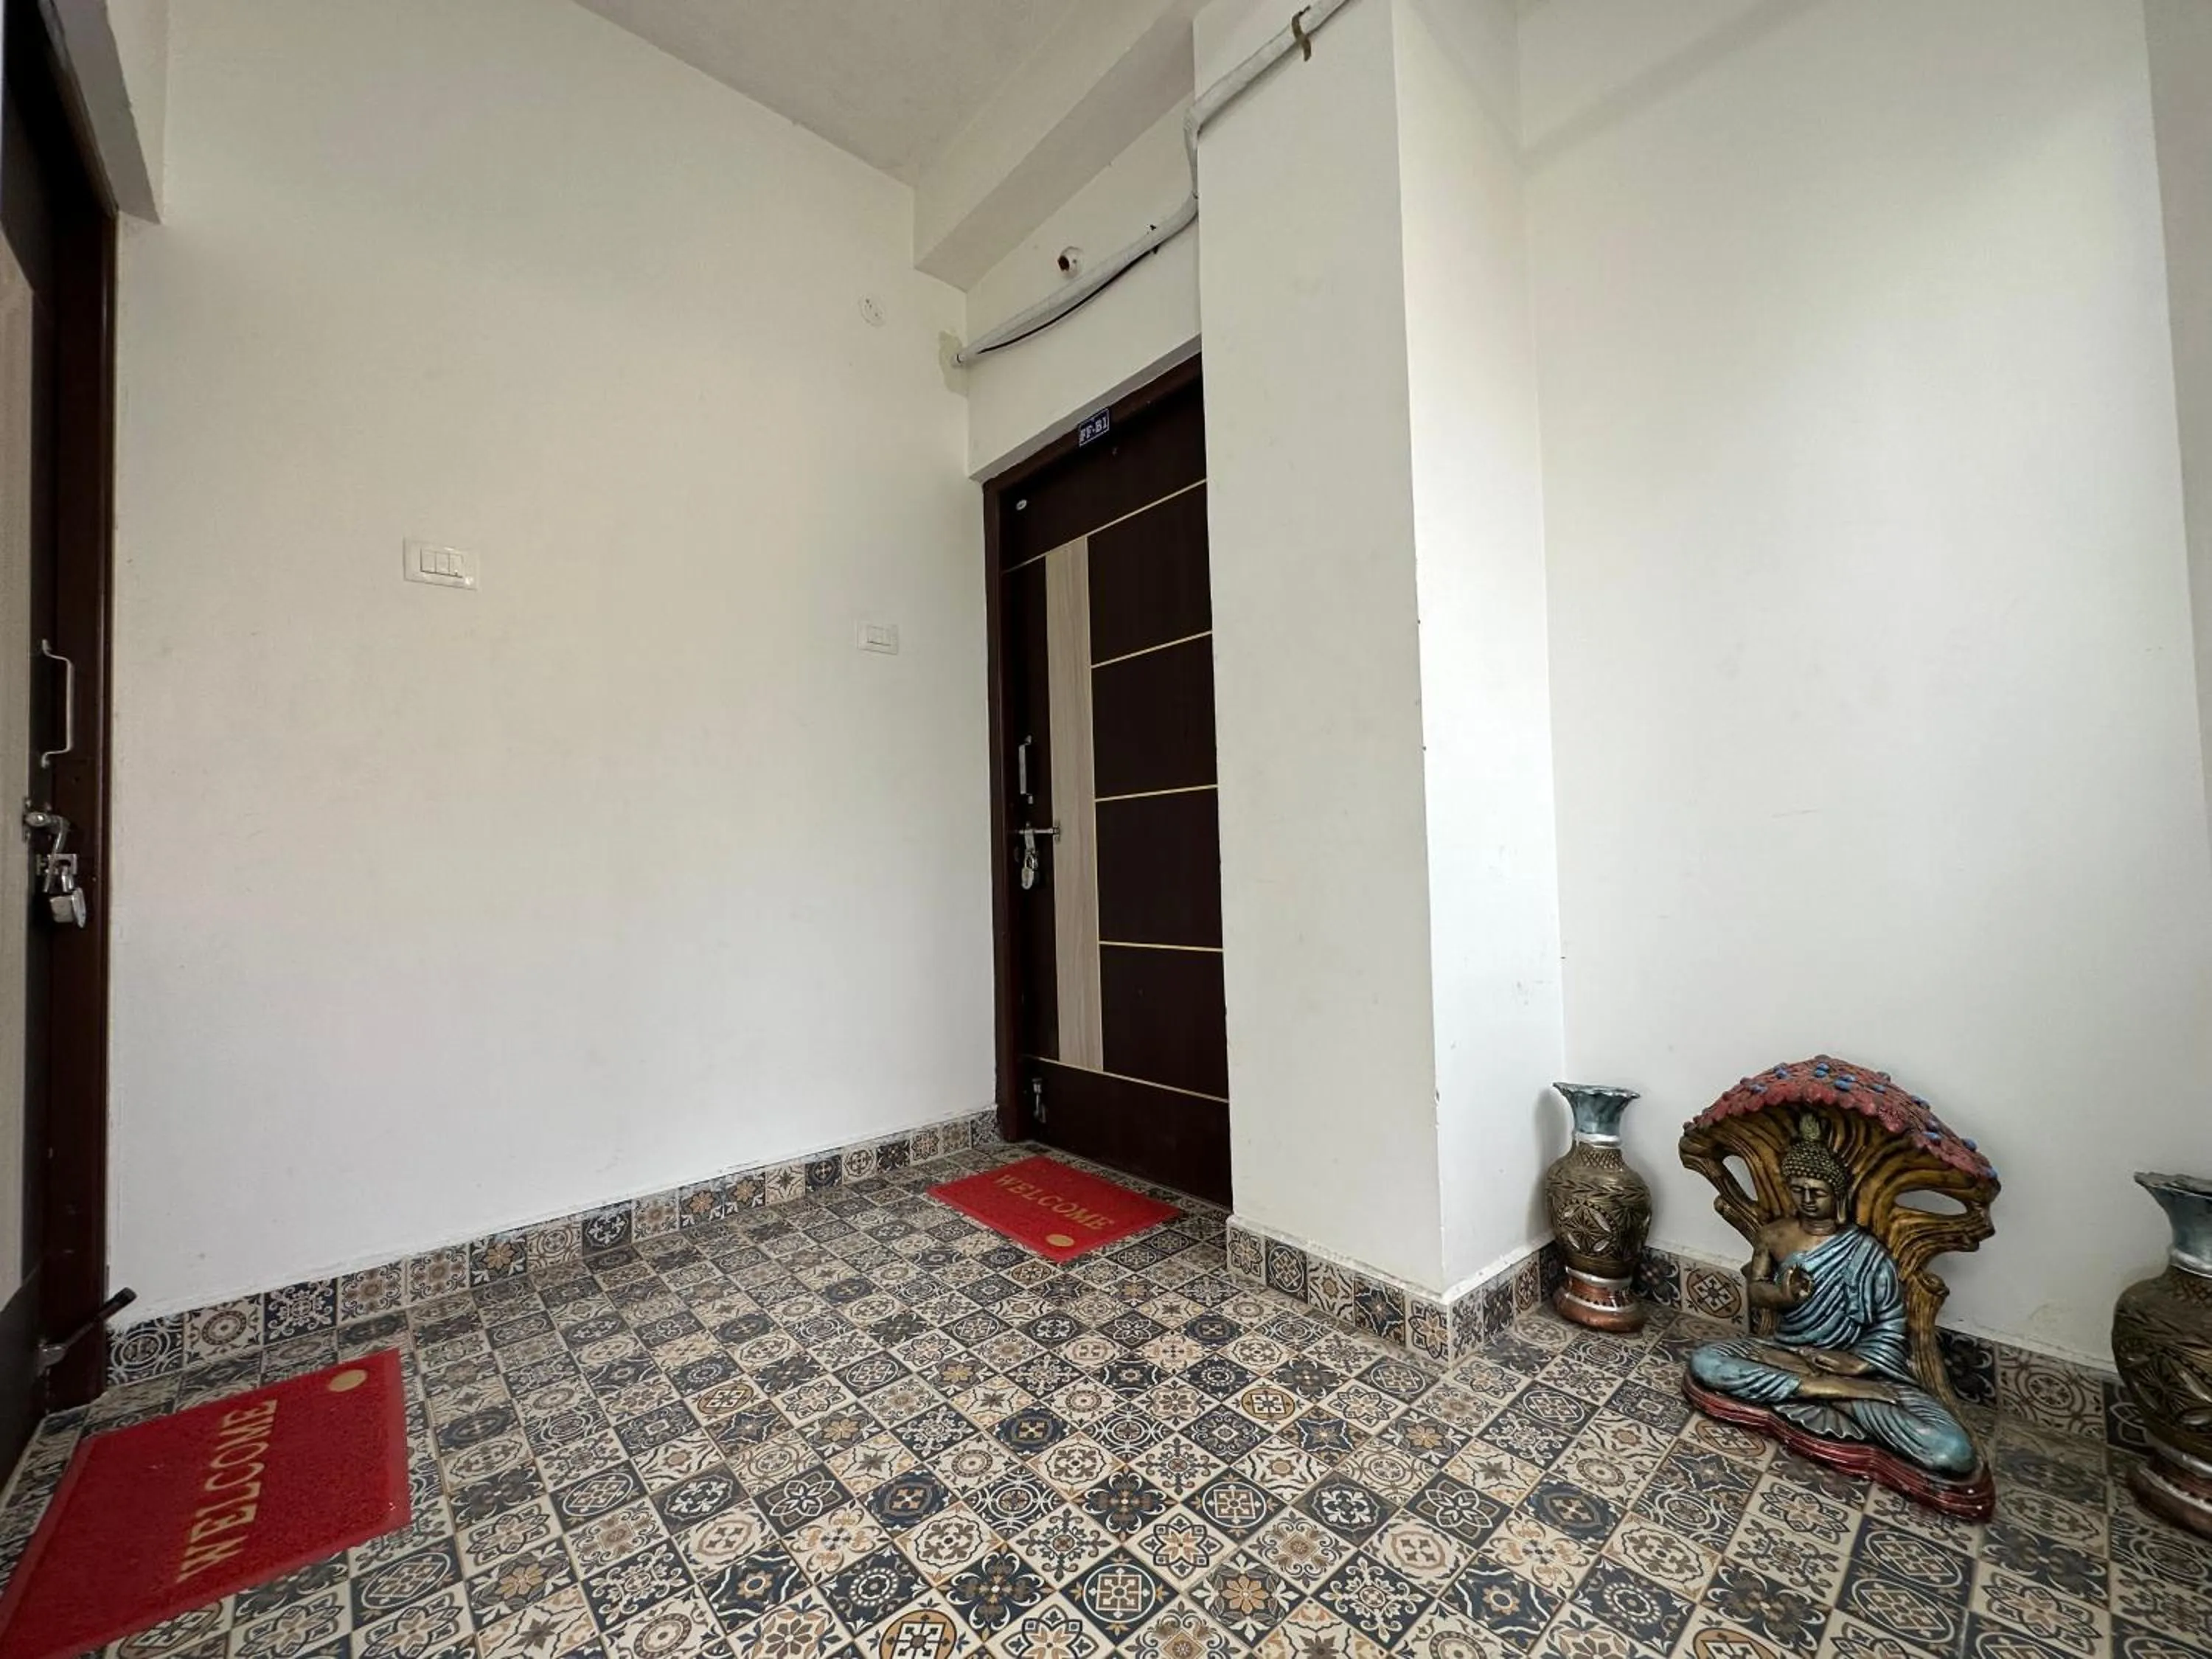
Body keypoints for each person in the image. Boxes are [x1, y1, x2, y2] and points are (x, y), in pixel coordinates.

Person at [1687, 1114, 1978, 1478]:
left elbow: (1890, 1323)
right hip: (1785, 1353)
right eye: (1798, 1189)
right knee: (1707, 1361)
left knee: (1952, 1450)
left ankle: (1834, 1392)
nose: (1807, 1200)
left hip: (1854, 1370)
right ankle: (1820, 1389)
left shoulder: (1867, 1251)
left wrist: (1858, 1364)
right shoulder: (1774, 1235)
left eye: (1818, 1192)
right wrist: (1781, 1295)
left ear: (1838, 1194)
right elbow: (1756, 1290)